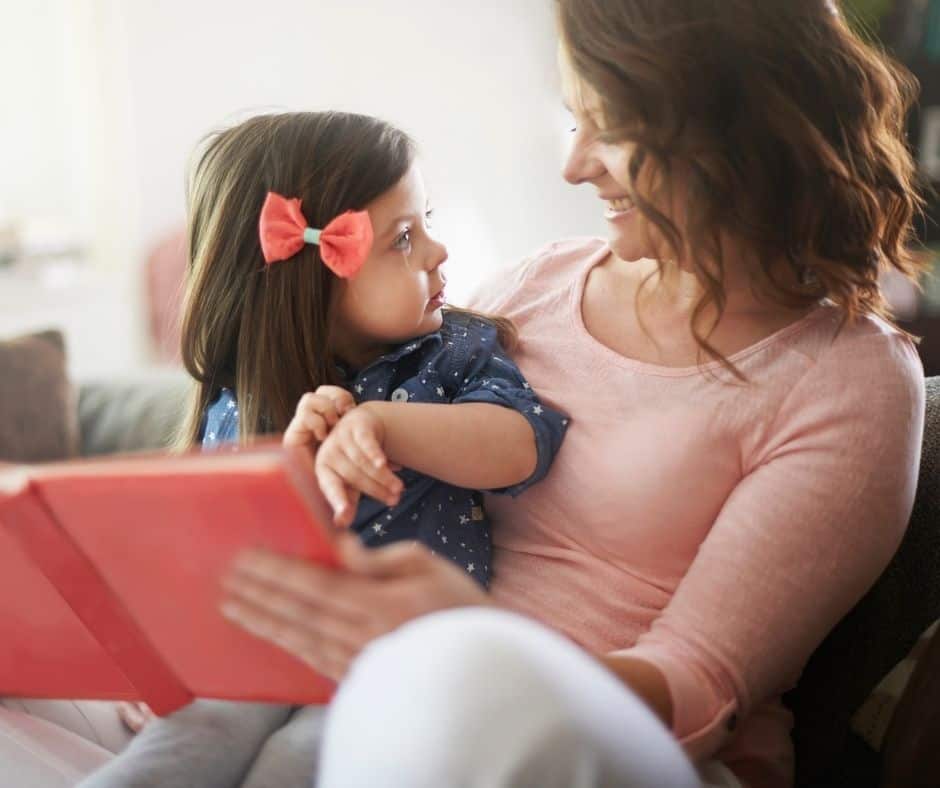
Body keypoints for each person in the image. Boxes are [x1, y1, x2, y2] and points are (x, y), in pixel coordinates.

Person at [0, 1, 926, 786]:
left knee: (447, 685)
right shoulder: (543, 281)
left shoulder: (847, 379)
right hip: (346, 693)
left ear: (728, 127)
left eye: (612, 126)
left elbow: (699, 687)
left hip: (590, 732)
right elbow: (369, 392)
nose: (576, 165)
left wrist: (463, 637)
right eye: (575, 122)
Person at [76, 111, 567, 788]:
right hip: (256, 655)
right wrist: (162, 653)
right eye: (403, 239)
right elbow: (202, 556)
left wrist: (381, 425)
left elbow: (519, 444)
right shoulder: (241, 400)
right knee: (184, 741)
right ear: (315, 277)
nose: (438, 252)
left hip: (391, 660)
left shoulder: (454, 352)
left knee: (298, 760)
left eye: (426, 222)